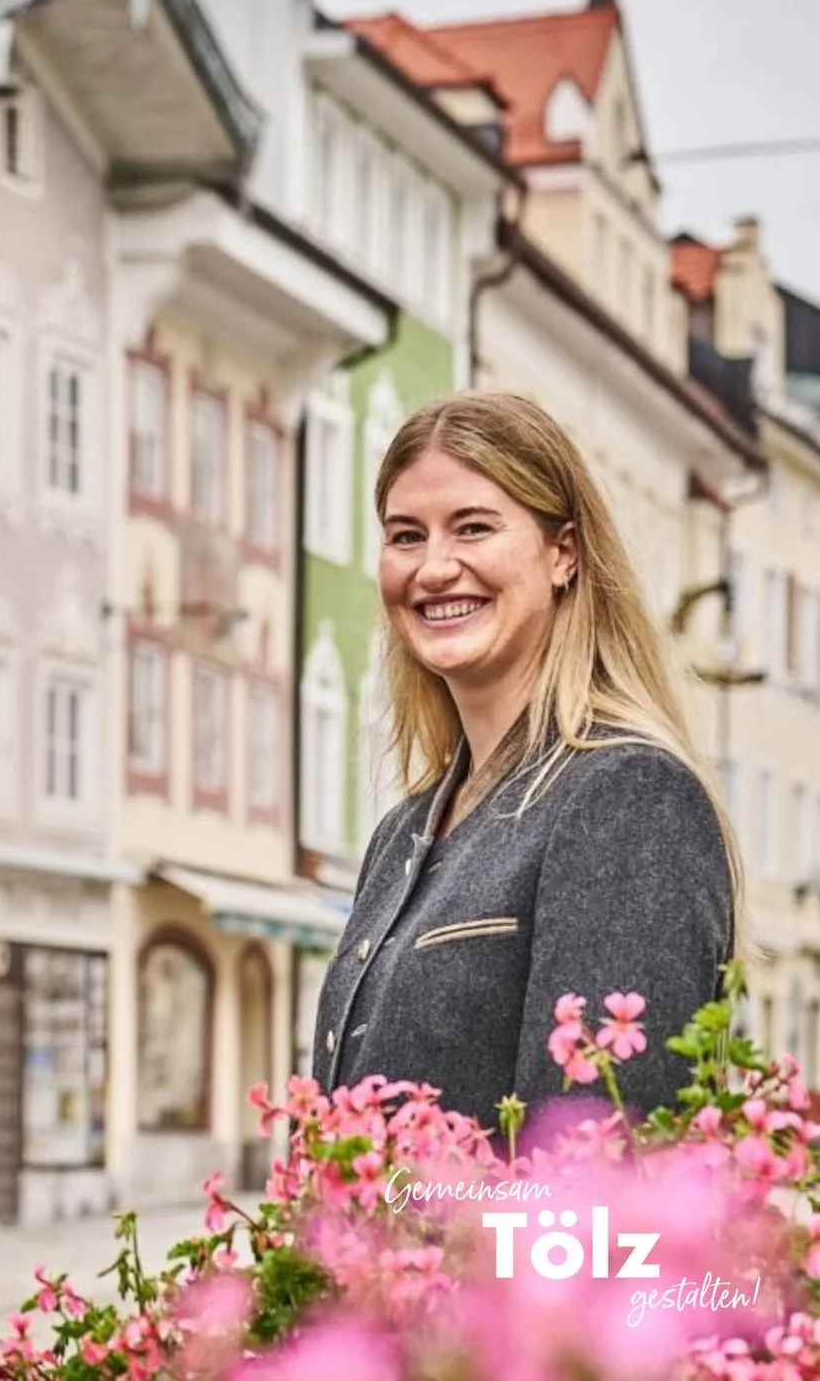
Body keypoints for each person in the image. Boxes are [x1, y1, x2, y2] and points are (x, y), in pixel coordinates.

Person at [313, 392, 737, 1134]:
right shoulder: (403, 833)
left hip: (500, 1256)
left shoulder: (625, 797)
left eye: (473, 528)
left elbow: (600, 1168)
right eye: (405, 536)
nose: (435, 567)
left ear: (562, 554)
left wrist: (402, 1221)